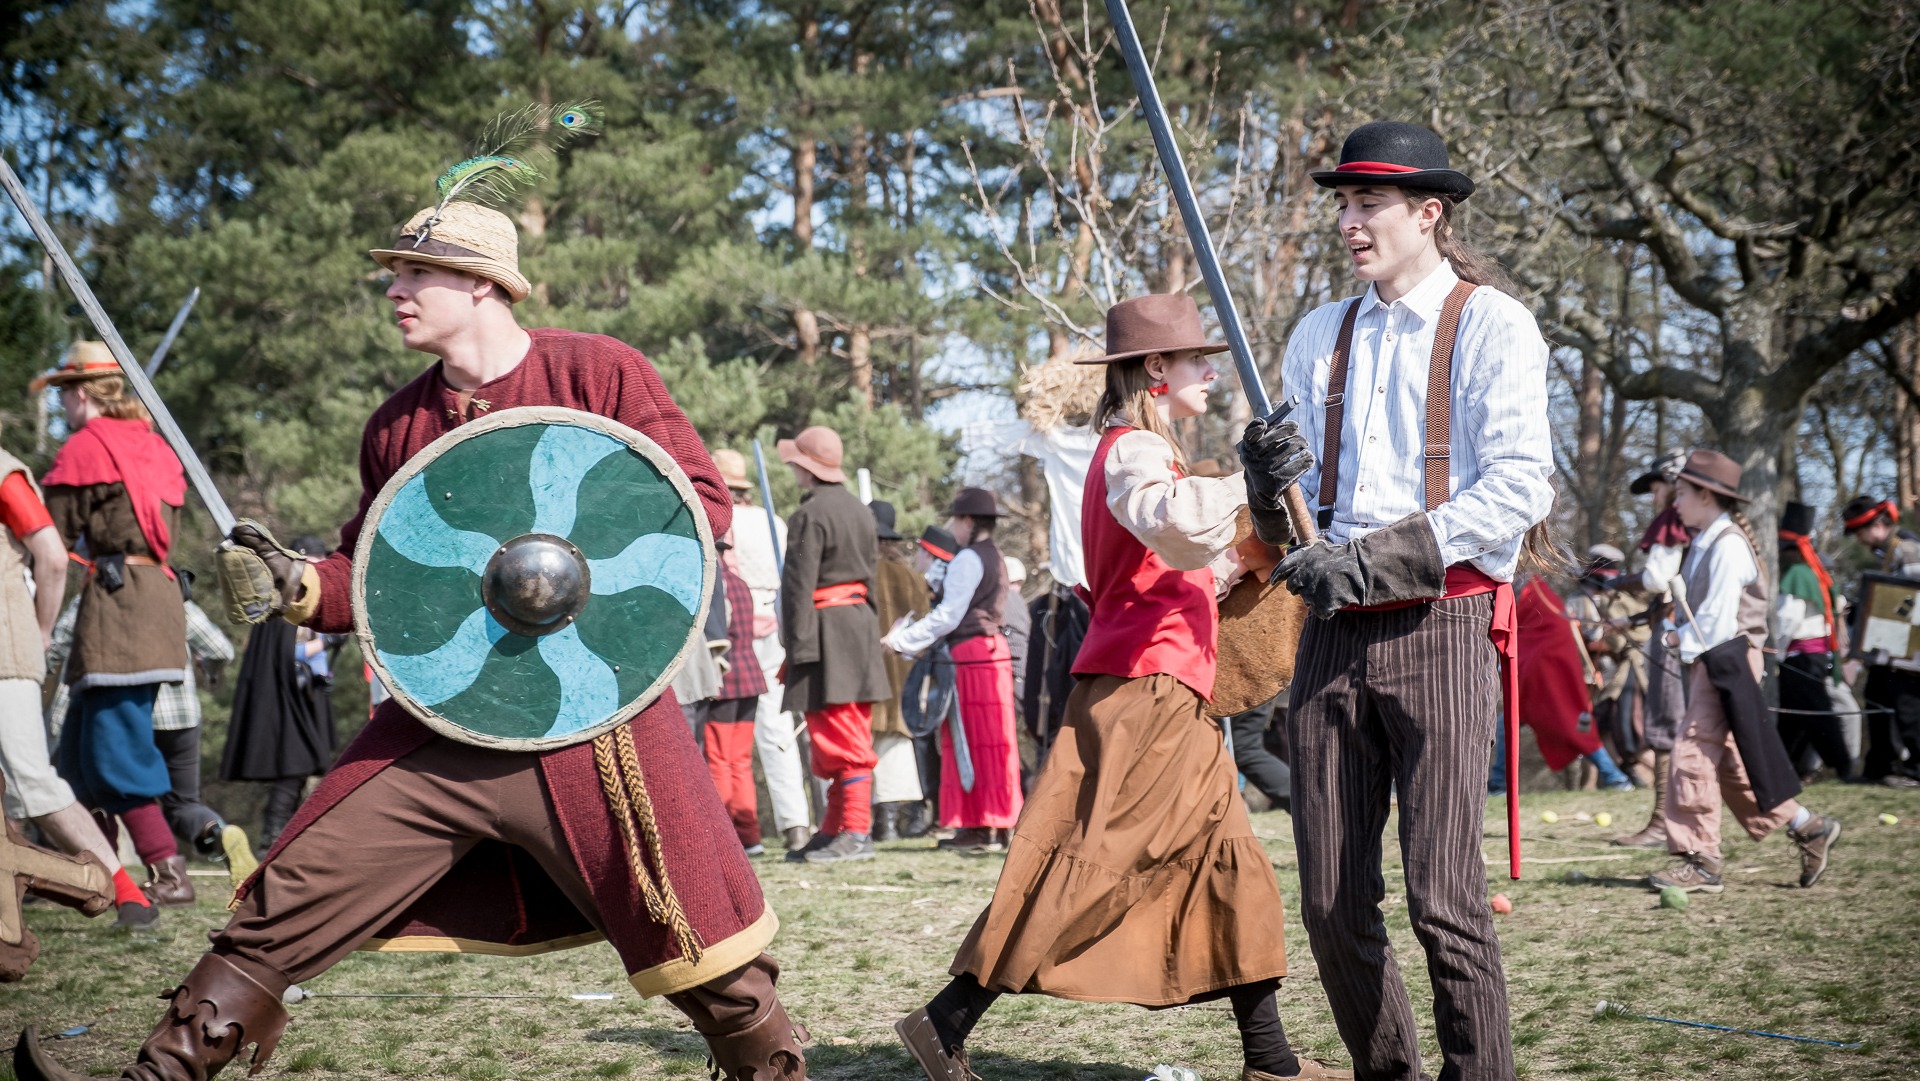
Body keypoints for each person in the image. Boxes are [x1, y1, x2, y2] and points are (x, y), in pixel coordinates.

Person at [16, 199, 805, 1081]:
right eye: (394, 274)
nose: (395, 291)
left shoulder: (596, 370)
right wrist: (296, 581)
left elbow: (693, 503)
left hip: (592, 722)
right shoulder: (398, 425)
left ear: (482, 283)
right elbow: (374, 575)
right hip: (448, 724)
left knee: (703, 947)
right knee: (292, 890)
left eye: (416, 272)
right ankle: (158, 1073)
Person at [897, 293, 1338, 1081]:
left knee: (1229, 861)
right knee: (1089, 864)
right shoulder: (1132, 449)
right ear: (1156, 368)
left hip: (1172, 689)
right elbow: (1173, 523)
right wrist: (1247, 481)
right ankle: (945, 1018)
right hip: (1144, 692)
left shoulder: (1152, 451)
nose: (1210, 372)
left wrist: (1256, 538)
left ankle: (1270, 1059)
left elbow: (1185, 564)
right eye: (1197, 359)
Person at [1238, 120, 1554, 1081]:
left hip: (1444, 622)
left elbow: (1520, 487)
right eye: (1343, 202)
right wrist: (1265, 486)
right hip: (1331, 632)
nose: (1349, 220)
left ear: (1429, 213)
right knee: (1331, 902)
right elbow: (1296, 514)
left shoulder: (1493, 324)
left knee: (1444, 896)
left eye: (1368, 202)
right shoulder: (1317, 333)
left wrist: (1374, 559)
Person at [35, 342, 193, 909]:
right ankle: (89, 877)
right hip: (155, 603)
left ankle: (168, 872)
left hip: (120, 611)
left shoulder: (86, 447)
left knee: (116, 753)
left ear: (81, 394)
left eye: (63, 395)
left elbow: (46, 536)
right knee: (77, 762)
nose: (62, 406)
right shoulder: (154, 445)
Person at [1649, 450, 1841, 892]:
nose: (1676, 503)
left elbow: (1715, 622)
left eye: (1682, 494)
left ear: (1706, 495)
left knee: (1692, 750)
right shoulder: (1706, 540)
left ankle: (1702, 860)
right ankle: (1809, 826)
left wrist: (1676, 639)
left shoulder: (1728, 545)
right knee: (1734, 764)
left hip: (1727, 660)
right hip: (1716, 659)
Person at [0, 428, 155, 928]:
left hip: (5, 650)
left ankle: (128, 894)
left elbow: (50, 555)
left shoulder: (2, 473)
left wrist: (42, 630)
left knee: (31, 781)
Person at [48, 594, 247, 877]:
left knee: (97, 798)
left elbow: (58, 645)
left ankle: (101, 873)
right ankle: (217, 834)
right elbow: (220, 649)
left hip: (123, 712)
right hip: (179, 718)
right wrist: (207, 669)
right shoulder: (174, 599)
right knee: (182, 803)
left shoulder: (95, 594)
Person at [883, 489, 1023, 852]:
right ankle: (996, 824)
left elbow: (948, 615)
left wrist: (902, 640)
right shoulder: (995, 556)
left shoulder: (969, 559)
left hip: (972, 655)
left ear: (969, 521)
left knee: (969, 738)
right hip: (990, 653)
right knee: (993, 739)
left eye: (956, 520)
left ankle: (979, 826)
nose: (952, 527)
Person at [777, 425, 891, 865]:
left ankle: (856, 832)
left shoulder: (809, 515)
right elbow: (872, 582)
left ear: (807, 468)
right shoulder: (862, 511)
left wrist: (797, 649)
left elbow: (798, 589)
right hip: (858, 629)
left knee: (843, 737)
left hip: (824, 634)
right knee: (838, 733)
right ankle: (833, 830)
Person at [715, 449, 815, 852]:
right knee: (775, 727)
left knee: (727, 737)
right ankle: (795, 823)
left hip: (736, 620)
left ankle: (742, 826)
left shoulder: (725, 521)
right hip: (775, 620)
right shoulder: (772, 520)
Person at [1610, 450, 1693, 846]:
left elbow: (1659, 579)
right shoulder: (1697, 523)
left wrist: (1619, 583)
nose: (1654, 496)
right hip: (1681, 629)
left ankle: (1664, 822)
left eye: (1657, 488)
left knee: (1664, 723)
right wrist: (1636, 619)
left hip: (1675, 637)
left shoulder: (1674, 519)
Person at [1841, 494, 1920, 787]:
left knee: (1909, 710)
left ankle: (1916, 768)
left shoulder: (1906, 550)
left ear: (1876, 525)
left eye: (1859, 532)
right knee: (1876, 699)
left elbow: (1912, 602)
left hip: (1907, 652)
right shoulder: (1887, 554)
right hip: (1887, 650)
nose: (1858, 539)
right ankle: (1879, 768)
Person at [703, 532, 772, 855]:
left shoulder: (712, 582)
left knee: (719, 760)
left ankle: (728, 836)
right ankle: (750, 835)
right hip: (751, 676)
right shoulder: (740, 583)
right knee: (740, 761)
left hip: (727, 679)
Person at [1775, 501, 1853, 783]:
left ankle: (1842, 765)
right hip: (1810, 656)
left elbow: (1787, 619)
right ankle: (1784, 768)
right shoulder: (1811, 572)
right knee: (1792, 717)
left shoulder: (1796, 573)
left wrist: (1776, 652)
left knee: (1817, 715)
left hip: (1802, 657)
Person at [867, 500, 928, 843]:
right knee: (895, 742)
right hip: (904, 671)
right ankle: (891, 821)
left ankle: (880, 822)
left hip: (868, 669)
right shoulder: (913, 579)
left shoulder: (860, 573)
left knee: (871, 742)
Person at [1569, 544, 1654, 785]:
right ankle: (1604, 783)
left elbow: (1617, 642)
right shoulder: (1580, 601)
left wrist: (1598, 642)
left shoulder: (1620, 601)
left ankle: (1633, 778)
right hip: (1598, 676)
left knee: (1628, 733)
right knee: (1599, 728)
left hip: (1624, 674)